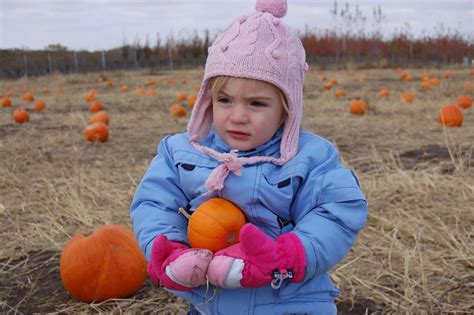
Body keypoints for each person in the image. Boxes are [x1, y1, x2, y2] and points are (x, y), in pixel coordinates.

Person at [130, 0, 368, 314]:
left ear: (287, 108)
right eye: (225, 100)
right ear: (207, 99)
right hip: (211, 303)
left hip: (292, 302)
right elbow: (153, 205)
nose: (238, 116)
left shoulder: (310, 158)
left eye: (256, 104)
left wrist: (285, 256)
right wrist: (170, 249)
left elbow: (337, 213)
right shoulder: (180, 153)